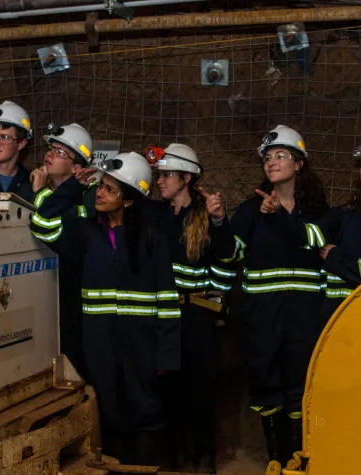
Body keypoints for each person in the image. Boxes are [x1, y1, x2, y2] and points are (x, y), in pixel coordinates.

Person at [29, 151, 180, 466]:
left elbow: (167, 299)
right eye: (101, 185)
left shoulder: (152, 237)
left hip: (142, 345)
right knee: (108, 413)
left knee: (146, 413)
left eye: (111, 189)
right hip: (99, 345)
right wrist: (71, 187)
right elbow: (41, 224)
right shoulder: (85, 232)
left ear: (128, 200)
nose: (100, 192)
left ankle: (144, 467)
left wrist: (166, 354)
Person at [222, 125, 328, 473]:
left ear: (299, 164)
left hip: (304, 318)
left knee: (300, 390)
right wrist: (218, 222)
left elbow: (316, 242)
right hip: (262, 318)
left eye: (280, 155)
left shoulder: (316, 210)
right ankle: (275, 461)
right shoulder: (250, 211)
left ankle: (299, 462)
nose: (272, 162)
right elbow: (229, 255)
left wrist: (280, 215)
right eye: (268, 158)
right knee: (267, 388)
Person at [259, 130, 361, 323]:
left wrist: (335, 257)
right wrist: (279, 212)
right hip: (335, 314)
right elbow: (311, 235)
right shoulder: (345, 213)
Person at [149, 143, 236, 473]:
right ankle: (172, 459)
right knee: (166, 390)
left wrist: (218, 219)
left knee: (199, 392)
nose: (161, 181)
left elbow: (226, 261)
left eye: (168, 175)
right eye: (160, 175)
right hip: (163, 318)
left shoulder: (204, 219)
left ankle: (204, 458)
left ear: (187, 177)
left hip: (195, 318)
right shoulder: (156, 215)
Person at [29, 122, 95, 379]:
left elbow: (48, 229)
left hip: (74, 299)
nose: (50, 154)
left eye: (60, 153)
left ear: (77, 168)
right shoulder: (31, 188)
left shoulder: (90, 199)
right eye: (51, 148)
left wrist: (40, 194)